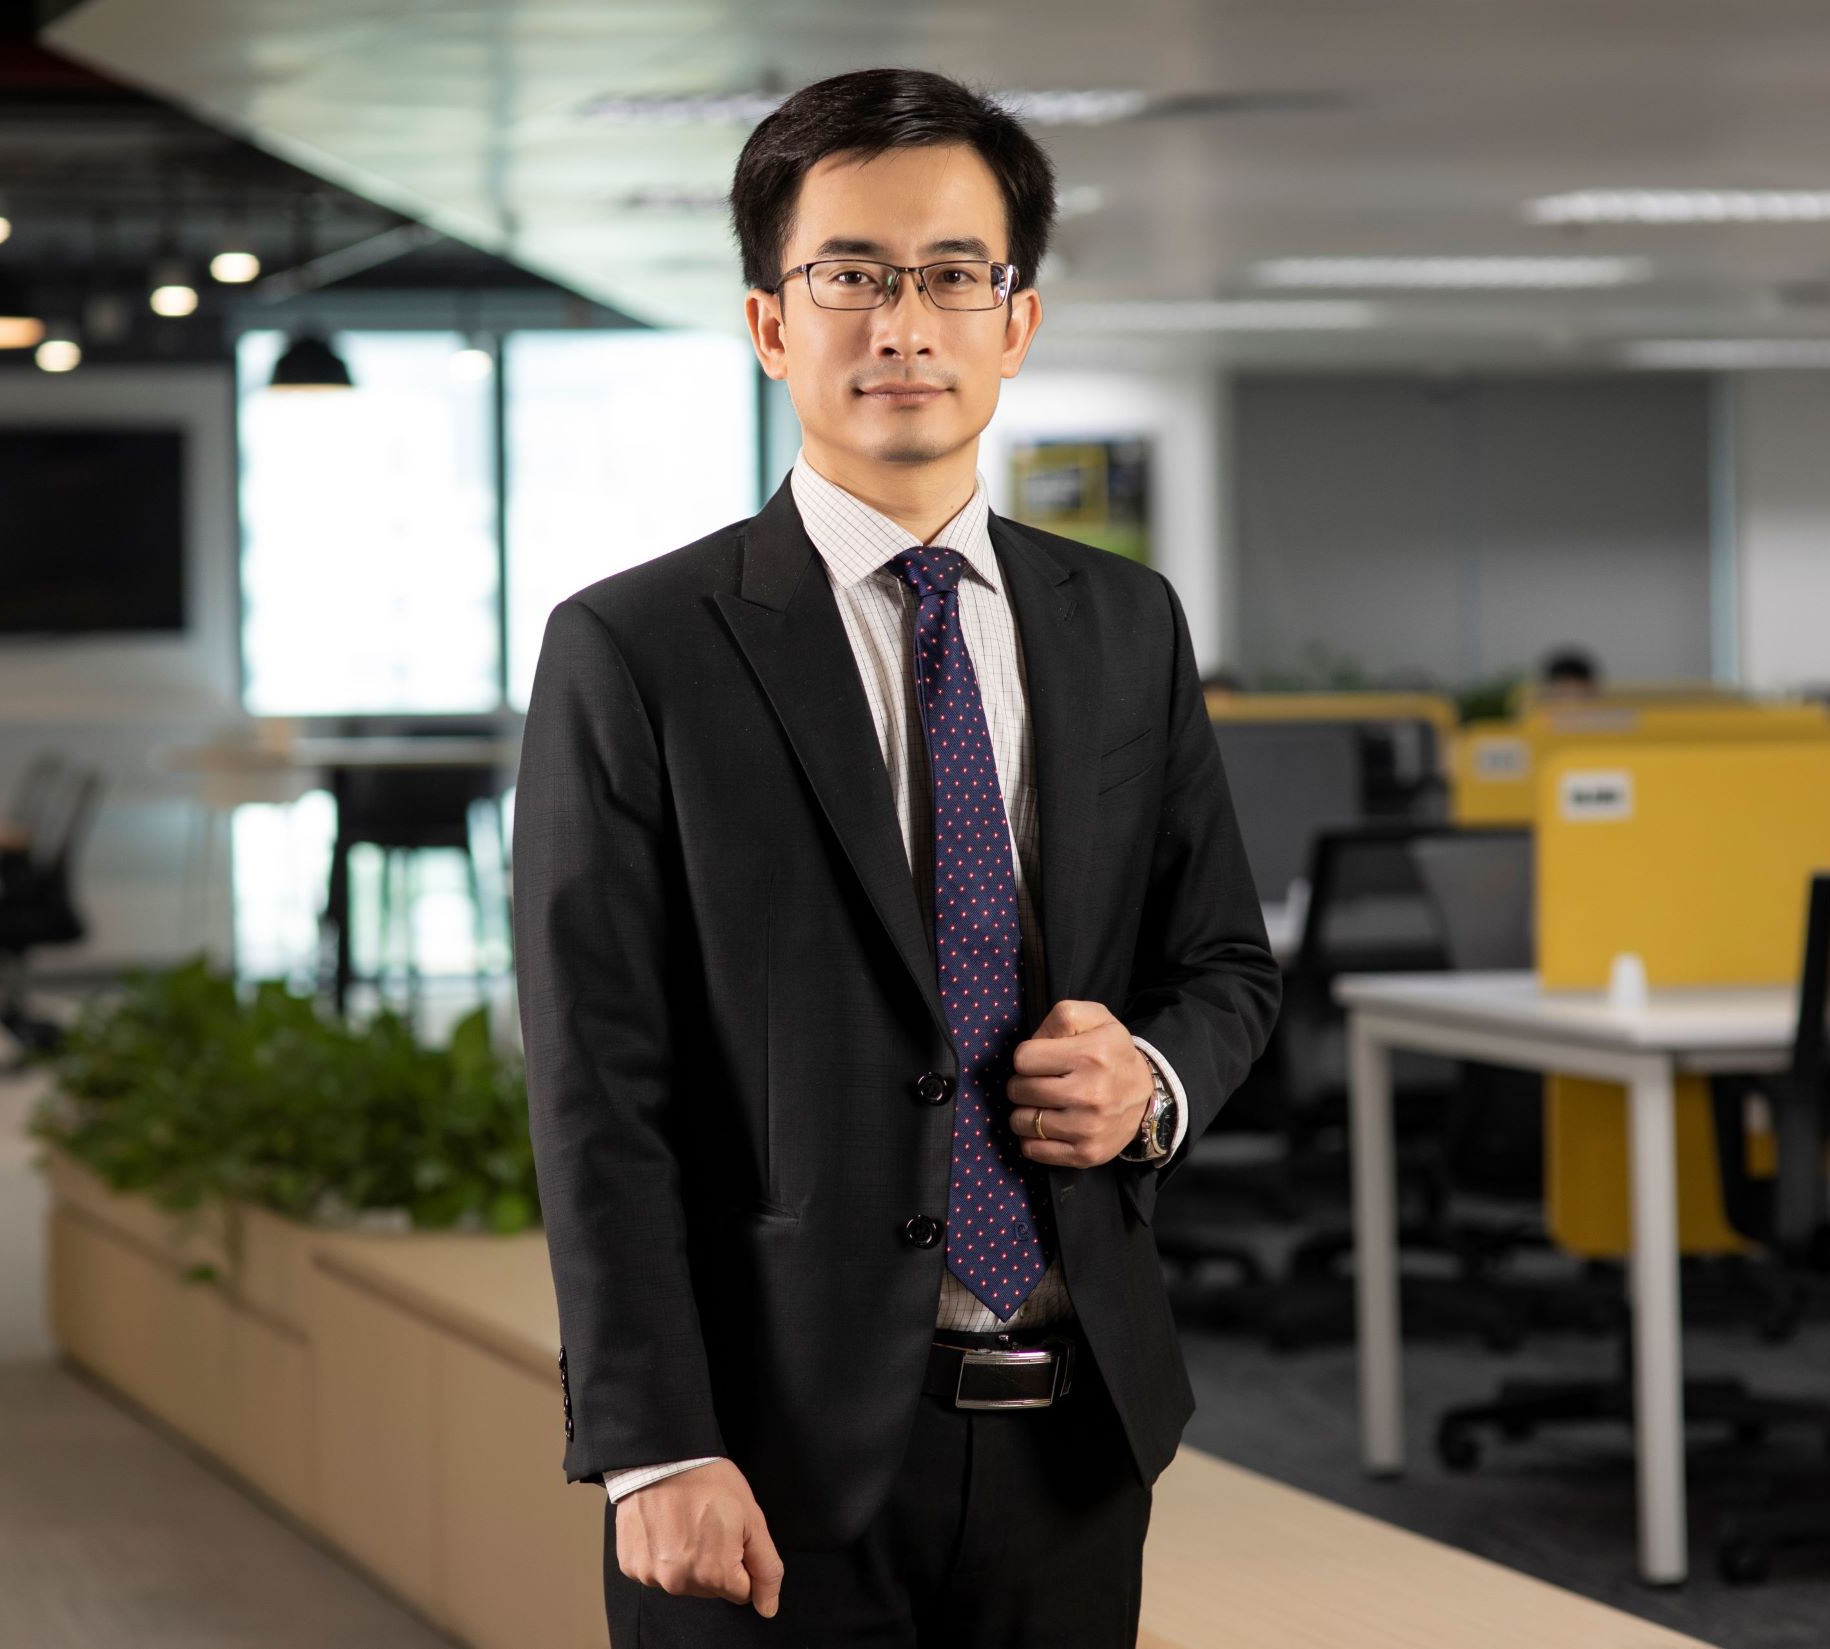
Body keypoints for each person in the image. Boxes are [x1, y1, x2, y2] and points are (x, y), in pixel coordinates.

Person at [512, 67, 1280, 1646]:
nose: (903, 325)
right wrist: (654, 1441)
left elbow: (1221, 961)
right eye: (851, 276)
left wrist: (1148, 1078)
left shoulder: (1123, 624)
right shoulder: (634, 648)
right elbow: (599, 1080)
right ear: (769, 323)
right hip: (762, 1452)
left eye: (949, 276)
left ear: (1016, 320)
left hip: (1072, 1435)